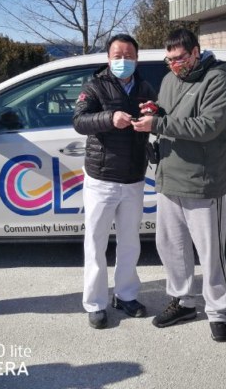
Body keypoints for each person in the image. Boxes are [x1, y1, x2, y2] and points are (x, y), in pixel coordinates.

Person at [132, 28, 226, 342]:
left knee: (210, 251)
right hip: (169, 177)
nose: (175, 64)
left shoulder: (217, 80)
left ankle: (217, 311)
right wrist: (154, 113)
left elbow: (208, 126)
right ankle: (184, 301)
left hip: (203, 181)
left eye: (180, 58)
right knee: (171, 246)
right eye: (170, 59)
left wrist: (159, 123)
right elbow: (168, 114)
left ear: (195, 52)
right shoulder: (169, 80)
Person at [73, 34, 157, 330]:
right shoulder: (94, 86)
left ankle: (125, 295)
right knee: (95, 243)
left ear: (137, 57)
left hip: (134, 177)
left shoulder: (145, 87)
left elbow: (155, 119)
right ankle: (95, 303)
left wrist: (152, 114)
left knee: (130, 242)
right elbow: (80, 121)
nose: (123, 60)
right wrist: (110, 118)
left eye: (129, 55)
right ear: (108, 58)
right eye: (118, 55)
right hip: (102, 178)